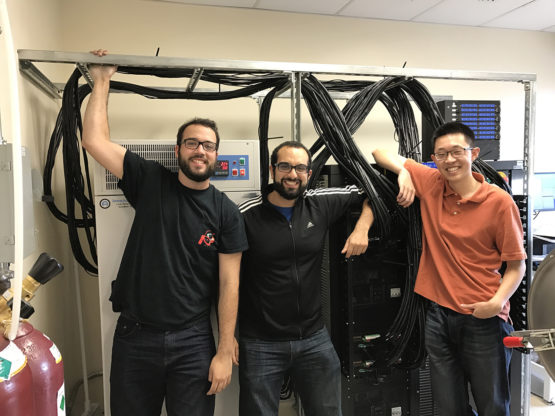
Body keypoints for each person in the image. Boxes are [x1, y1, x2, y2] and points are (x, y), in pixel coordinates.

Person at [82, 50, 248, 416]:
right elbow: (94, 141)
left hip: (193, 341)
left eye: (207, 145)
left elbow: (230, 285)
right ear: (178, 150)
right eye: (191, 143)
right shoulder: (151, 181)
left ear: (217, 155)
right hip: (135, 337)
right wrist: (102, 78)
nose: (199, 150)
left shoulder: (226, 213)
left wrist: (223, 350)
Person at [372, 121, 526, 416]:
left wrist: (495, 303)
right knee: (449, 407)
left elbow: (516, 266)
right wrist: (405, 171)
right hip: (438, 317)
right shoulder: (431, 184)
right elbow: (380, 152)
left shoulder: (499, 202)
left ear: (474, 153)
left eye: (457, 152)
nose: (449, 160)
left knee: (492, 405)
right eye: (441, 154)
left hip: (483, 318)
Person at [237, 141, 374, 416]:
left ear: (309, 174)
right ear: (273, 170)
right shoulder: (245, 215)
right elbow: (226, 280)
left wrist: (362, 228)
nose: (292, 174)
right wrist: (227, 339)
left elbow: (374, 191)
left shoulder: (319, 205)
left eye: (300, 167)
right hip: (262, 342)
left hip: (313, 339)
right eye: (285, 166)